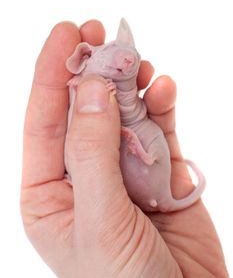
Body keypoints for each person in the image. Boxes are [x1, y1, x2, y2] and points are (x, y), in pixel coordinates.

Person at [20, 20, 229, 278]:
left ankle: (146, 156)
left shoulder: (105, 86)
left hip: (145, 163)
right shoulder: (85, 78)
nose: (127, 62)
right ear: (85, 57)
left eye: (131, 58)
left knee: (144, 139)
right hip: (135, 175)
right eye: (109, 54)